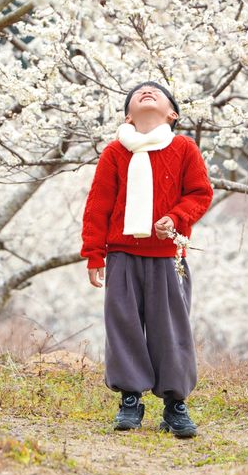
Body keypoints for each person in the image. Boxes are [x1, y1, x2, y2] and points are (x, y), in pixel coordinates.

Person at [80, 81, 214, 438]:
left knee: (170, 328)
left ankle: (175, 405)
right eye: (138, 93)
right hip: (122, 254)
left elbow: (200, 193)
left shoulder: (183, 147)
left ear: (172, 113)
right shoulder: (115, 153)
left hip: (169, 254)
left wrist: (177, 216)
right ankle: (129, 398)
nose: (147, 92)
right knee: (123, 325)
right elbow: (98, 205)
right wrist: (94, 253)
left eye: (157, 92)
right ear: (128, 115)